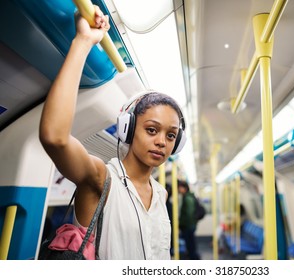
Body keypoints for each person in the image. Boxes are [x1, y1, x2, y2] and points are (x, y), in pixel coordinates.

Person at [39, 6, 186, 260]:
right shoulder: (102, 179)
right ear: (127, 129)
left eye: (171, 135)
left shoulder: (161, 194)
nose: (162, 141)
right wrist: (84, 41)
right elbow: (56, 138)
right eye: (151, 130)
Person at [178, 180, 200, 260]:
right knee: (191, 244)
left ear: (184, 188)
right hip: (190, 225)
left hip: (188, 225)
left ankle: (193, 259)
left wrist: (180, 223)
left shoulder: (187, 198)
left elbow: (189, 214)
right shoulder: (187, 197)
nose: (178, 190)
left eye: (179, 188)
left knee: (190, 245)